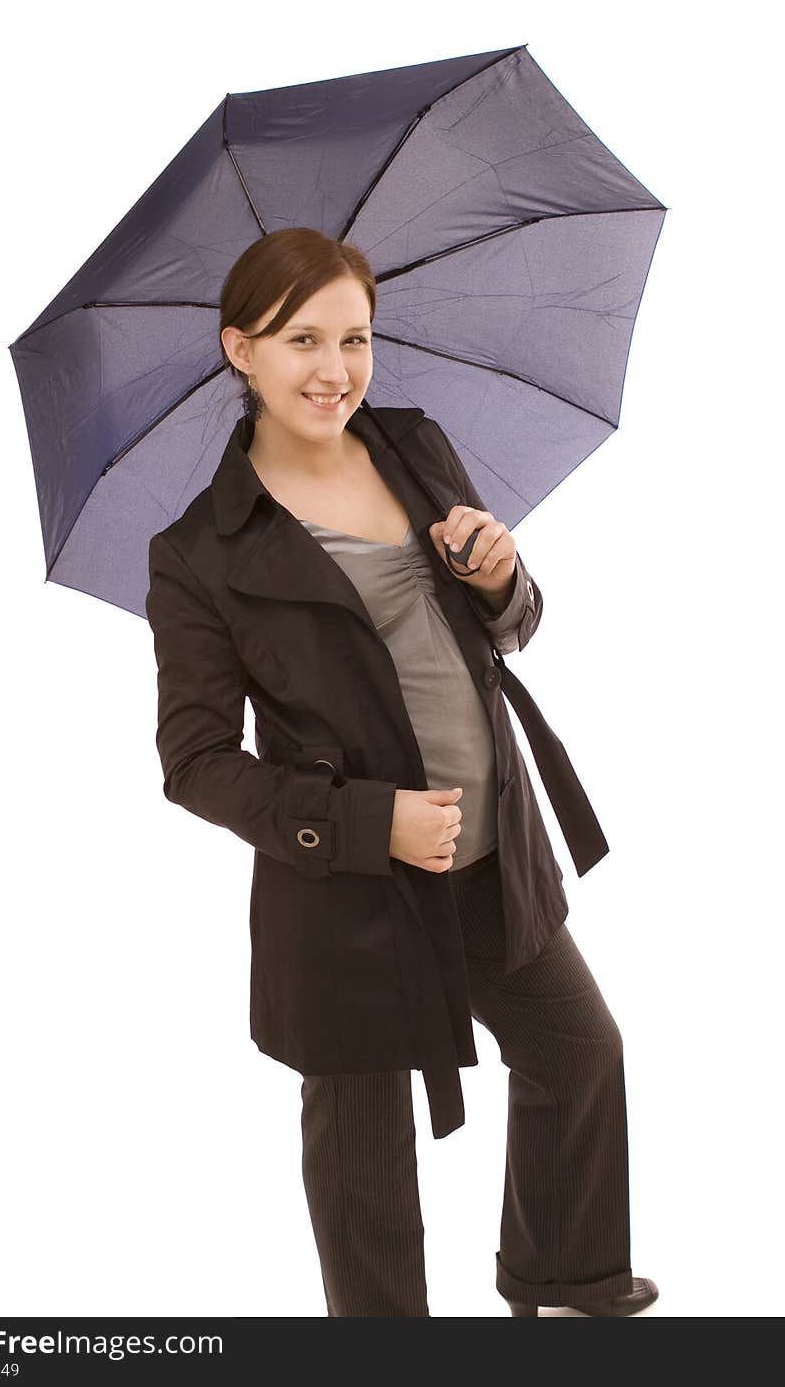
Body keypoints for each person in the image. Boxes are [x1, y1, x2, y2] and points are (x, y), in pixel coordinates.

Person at [145, 227, 658, 1317]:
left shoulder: (417, 445)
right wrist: (368, 822)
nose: (334, 368)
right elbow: (193, 763)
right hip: (349, 897)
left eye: (355, 337)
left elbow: (509, 630)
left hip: (487, 851)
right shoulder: (201, 552)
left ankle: (563, 1283)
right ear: (241, 349)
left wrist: (502, 578)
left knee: (580, 1053)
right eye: (301, 340)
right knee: (366, 1162)